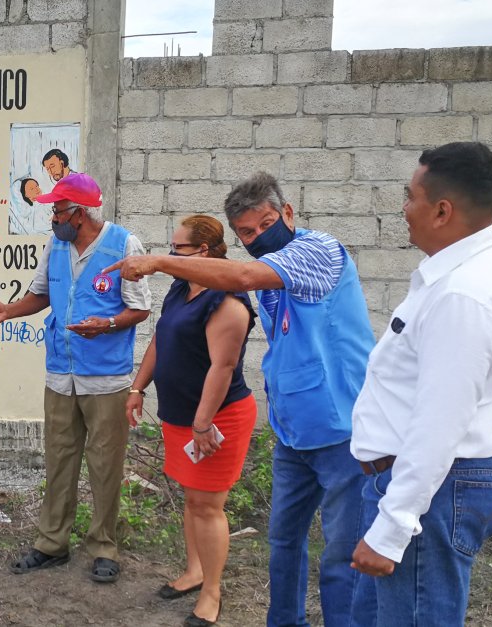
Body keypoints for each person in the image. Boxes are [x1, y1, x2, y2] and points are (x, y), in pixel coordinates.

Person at [105, 172, 377, 627]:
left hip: (343, 428)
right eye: (246, 233)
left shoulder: (318, 250)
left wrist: (158, 262)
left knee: (341, 557)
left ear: (288, 213)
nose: (256, 238)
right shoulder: (261, 281)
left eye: (265, 224)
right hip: (292, 432)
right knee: (284, 544)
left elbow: (242, 278)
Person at [349, 142, 492, 623]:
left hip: (433, 491)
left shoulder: (464, 295)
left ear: (442, 210)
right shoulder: (454, 280)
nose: (403, 210)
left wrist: (393, 527)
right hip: (419, 486)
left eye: (410, 197)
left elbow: (439, 424)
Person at [0, 172, 151, 584]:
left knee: (105, 465)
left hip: (105, 379)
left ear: (80, 212)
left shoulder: (123, 244)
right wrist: (8, 311)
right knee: (59, 461)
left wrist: (105, 324)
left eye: (57, 211)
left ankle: (104, 546)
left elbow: (140, 309)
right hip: (60, 374)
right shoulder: (56, 244)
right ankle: (51, 544)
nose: (52, 219)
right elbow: (42, 296)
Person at [126, 216, 256, 627]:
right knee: (192, 498)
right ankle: (195, 571)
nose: (169, 255)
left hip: (218, 418)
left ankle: (212, 592)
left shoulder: (227, 300)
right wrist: (137, 387)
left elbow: (224, 366)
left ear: (203, 252)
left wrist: (202, 423)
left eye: (177, 248)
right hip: (182, 416)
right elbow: (161, 340)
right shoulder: (183, 288)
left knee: (208, 504)